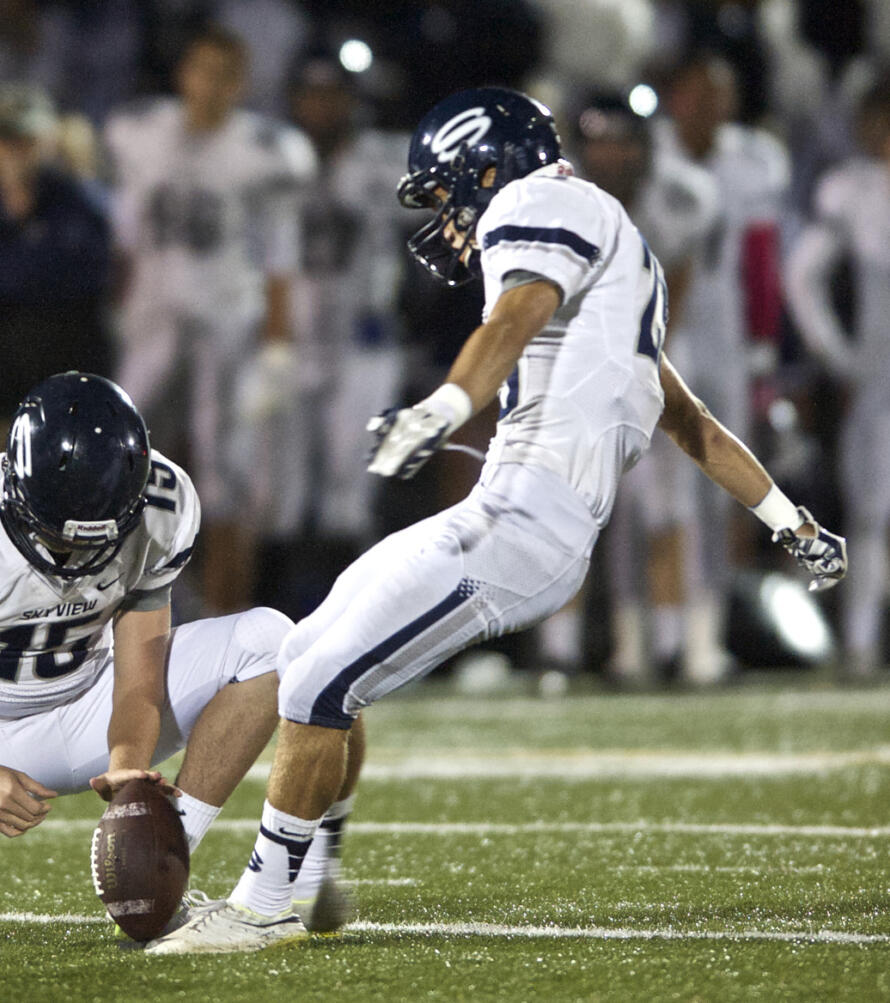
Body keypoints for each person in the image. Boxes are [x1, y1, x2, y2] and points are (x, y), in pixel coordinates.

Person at [146, 87, 848, 954]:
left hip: (523, 521)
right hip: (519, 515)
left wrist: (444, 406)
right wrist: (792, 519)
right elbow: (693, 422)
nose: (447, 217)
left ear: (489, 167)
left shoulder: (537, 200)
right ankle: (319, 867)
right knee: (314, 648)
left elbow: (518, 313)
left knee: (318, 677)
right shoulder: (624, 258)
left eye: (448, 191)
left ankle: (264, 904)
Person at [0, 372, 302, 950]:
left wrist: (127, 768)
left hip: (89, 701)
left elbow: (140, 669)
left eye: (98, 541)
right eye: (60, 538)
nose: (77, 558)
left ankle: (164, 858)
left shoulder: (162, 503)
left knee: (270, 640)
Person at [104, 25, 315, 616]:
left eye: (226, 75)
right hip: (149, 321)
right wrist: (117, 308)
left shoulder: (267, 151)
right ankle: (109, 622)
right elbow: (124, 238)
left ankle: (227, 624)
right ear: (183, 75)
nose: (212, 86)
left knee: (227, 481)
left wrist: (278, 346)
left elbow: (281, 254)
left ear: (242, 84)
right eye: (203, 71)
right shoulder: (139, 133)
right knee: (119, 467)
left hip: (228, 326)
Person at [539, 91, 719, 685]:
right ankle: (559, 651)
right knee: (569, 507)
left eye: (622, 141)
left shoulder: (678, 197)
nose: (612, 154)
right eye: (601, 141)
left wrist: (645, 360)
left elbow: (682, 290)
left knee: (666, 509)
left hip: (655, 354)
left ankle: (671, 646)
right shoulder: (560, 200)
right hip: (579, 358)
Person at [651, 52, 791, 684]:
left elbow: (762, 255)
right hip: (662, 337)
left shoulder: (752, 160)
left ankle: (708, 634)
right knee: (659, 496)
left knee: (727, 489)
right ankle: (661, 635)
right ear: (674, 96)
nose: (707, 106)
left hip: (725, 336)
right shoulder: (650, 155)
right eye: (694, 92)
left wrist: (763, 341)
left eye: (718, 94)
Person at [257, 58, 410, 608]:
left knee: (353, 487)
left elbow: (450, 199)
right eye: (311, 94)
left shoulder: (383, 160)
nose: (322, 107)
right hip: (288, 342)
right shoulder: (272, 161)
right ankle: (276, 623)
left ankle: (358, 622)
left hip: (364, 341)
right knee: (282, 492)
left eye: (333, 95)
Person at [0, 83, 114, 463]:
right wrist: (29, 273)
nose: (16, 150)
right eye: (5, 138)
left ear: (48, 141)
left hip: (66, 399)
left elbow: (89, 280)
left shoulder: (80, 204)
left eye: (27, 138)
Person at [785, 72, 890, 678]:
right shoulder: (851, 189)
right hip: (878, 371)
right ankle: (861, 642)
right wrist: (835, 353)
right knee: (871, 512)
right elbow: (802, 276)